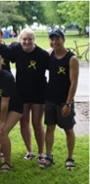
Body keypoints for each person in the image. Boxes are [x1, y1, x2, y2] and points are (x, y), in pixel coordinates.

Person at [41, 29, 79, 170]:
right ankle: (49, 156)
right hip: (50, 99)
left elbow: (74, 83)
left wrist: (68, 103)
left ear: (63, 39)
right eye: (52, 39)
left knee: (68, 129)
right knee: (49, 128)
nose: (54, 42)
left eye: (57, 39)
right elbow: (37, 51)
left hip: (65, 101)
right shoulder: (50, 54)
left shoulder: (72, 59)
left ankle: (70, 157)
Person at [10, 28, 49, 163]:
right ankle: (29, 151)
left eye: (30, 39)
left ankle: (41, 152)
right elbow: (3, 52)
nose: (27, 42)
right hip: (21, 91)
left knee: (37, 123)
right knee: (24, 121)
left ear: (34, 40)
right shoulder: (15, 50)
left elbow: (55, 67)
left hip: (39, 92)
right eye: (24, 39)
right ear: (20, 40)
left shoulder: (43, 55)